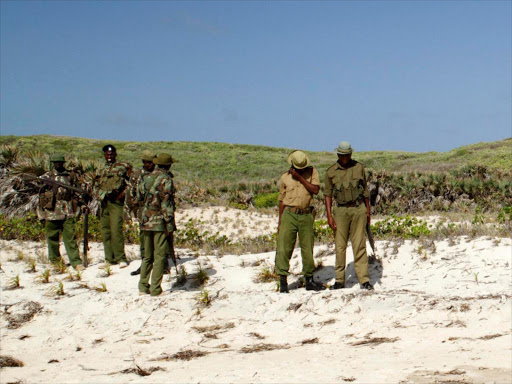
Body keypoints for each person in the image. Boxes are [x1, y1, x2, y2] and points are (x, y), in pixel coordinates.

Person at [324, 141, 374, 290]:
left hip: (358, 209)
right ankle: (339, 280)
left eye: (347, 155)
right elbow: (327, 194)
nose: (345, 157)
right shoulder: (331, 172)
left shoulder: (359, 168)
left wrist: (368, 211)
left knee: (359, 244)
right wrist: (329, 215)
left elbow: (365, 191)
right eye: (342, 155)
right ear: (338, 154)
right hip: (340, 211)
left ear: (350, 154)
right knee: (340, 246)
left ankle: (364, 280)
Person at [275, 150, 325, 293]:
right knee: (285, 246)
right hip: (289, 215)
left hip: (306, 214)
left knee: (307, 247)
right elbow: (281, 201)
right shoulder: (284, 177)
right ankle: (283, 280)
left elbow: (315, 190)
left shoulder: (312, 173)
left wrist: (300, 178)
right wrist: (280, 222)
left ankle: (309, 279)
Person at [137, 153, 176, 296]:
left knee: (147, 256)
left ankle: (142, 286)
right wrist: (169, 223)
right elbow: (167, 203)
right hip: (159, 221)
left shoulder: (144, 177)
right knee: (159, 256)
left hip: (145, 219)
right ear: (169, 165)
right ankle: (155, 289)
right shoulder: (166, 179)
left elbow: (139, 196)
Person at [36, 154, 84, 271]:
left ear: (63, 163)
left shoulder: (70, 176)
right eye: (55, 162)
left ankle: (76, 262)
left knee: (70, 237)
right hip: (52, 211)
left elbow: (76, 192)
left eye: (60, 162)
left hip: (68, 210)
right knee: (52, 238)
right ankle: (55, 262)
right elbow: (39, 193)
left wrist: (80, 205)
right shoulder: (47, 176)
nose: (58, 164)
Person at [94, 144, 132, 268]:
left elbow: (132, 182)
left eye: (111, 154)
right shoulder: (101, 169)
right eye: (107, 154)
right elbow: (95, 185)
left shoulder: (123, 166)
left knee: (116, 230)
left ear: (115, 154)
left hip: (116, 203)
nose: (109, 156)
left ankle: (121, 258)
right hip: (104, 203)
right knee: (106, 231)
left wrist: (123, 194)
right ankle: (109, 259)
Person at [124, 150, 156, 276]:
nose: (150, 165)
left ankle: (162, 264)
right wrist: (127, 213)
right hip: (143, 212)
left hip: (157, 210)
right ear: (143, 162)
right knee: (144, 239)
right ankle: (145, 264)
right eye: (147, 162)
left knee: (160, 238)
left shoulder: (159, 174)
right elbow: (130, 193)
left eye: (152, 162)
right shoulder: (137, 175)